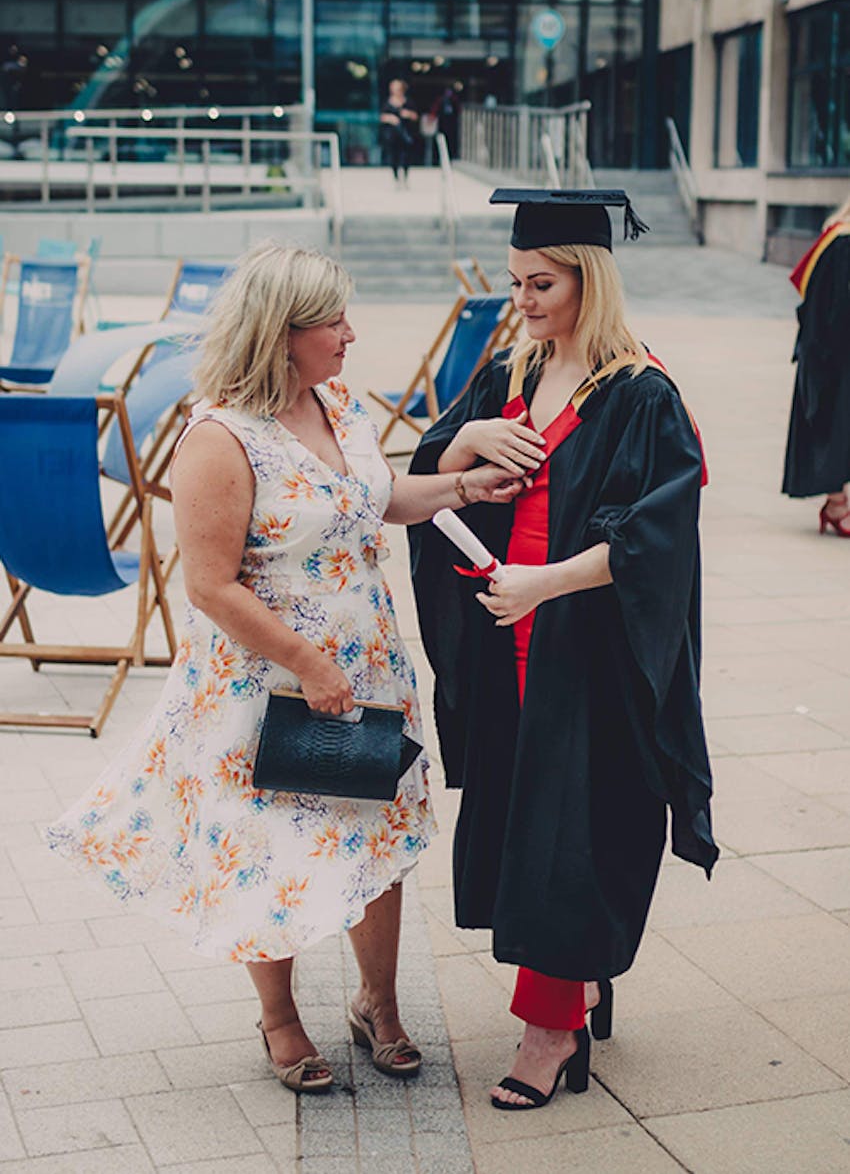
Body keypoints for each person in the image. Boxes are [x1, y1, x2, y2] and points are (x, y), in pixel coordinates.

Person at [47, 241, 522, 1095]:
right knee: (269, 851)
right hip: (263, 683)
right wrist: (307, 662)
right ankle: (281, 1018)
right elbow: (210, 584)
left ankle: (378, 1003)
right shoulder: (219, 435)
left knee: (373, 839)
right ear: (281, 334)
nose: (351, 333)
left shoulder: (335, 401)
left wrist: (460, 488)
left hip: (364, 663)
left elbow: (374, 502)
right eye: (332, 321)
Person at [408, 189, 718, 1111]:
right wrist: (465, 439)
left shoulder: (641, 393)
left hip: (585, 649)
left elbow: (655, 539)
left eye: (541, 283)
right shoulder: (511, 371)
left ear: (590, 276)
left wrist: (544, 582)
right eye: (515, 282)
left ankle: (551, 1031)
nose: (524, 300)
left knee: (566, 838)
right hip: (508, 640)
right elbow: (430, 466)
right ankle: (575, 986)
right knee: (524, 828)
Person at [782, 196, 850, 533]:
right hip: (835, 356)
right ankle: (837, 504)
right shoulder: (842, 244)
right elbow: (837, 311)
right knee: (835, 426)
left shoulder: (835, 239)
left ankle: (837, 502)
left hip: (831, 351)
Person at [380, 78, 418, 187]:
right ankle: (396, 178)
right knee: (393, 155)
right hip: (392, 134)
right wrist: (390, 118)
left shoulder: (408, 101)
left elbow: (415, 116)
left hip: (405, 133)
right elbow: (381, 116)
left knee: (405, 156)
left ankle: (405, 177)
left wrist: (408, 114)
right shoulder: (387, 101)